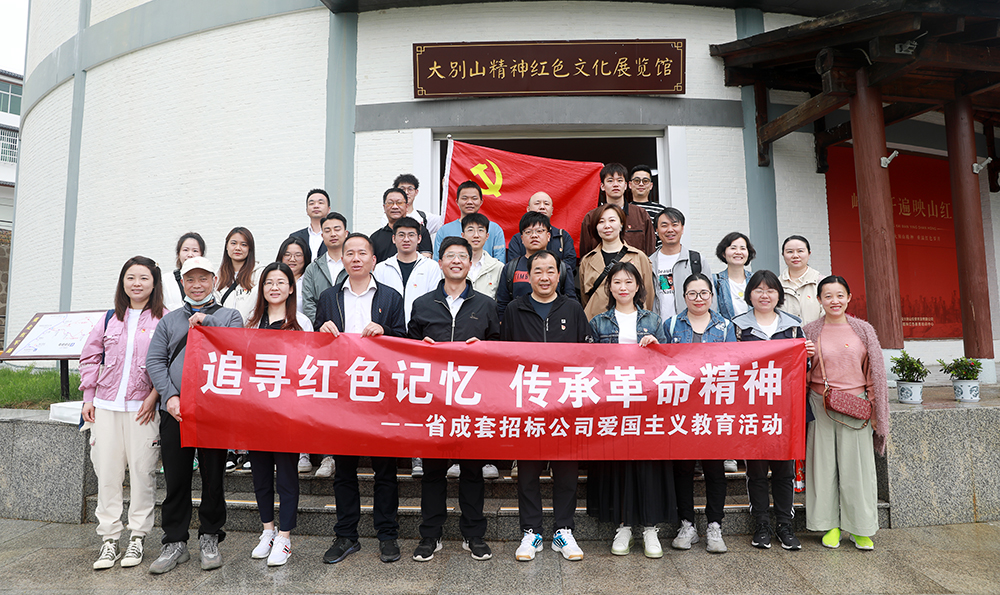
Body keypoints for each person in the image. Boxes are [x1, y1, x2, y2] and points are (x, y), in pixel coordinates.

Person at [145, 256, 244, 574]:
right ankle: (174, 541)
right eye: (190, 279)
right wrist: (170, 396)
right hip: (175, 411)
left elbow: (237, 349)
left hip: (214, 411)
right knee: (176, 478)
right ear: (182, 283)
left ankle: (210, 536)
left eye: (203, 279)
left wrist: (208, 323)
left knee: (214, 477)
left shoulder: (230, 316)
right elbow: (155, 361)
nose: (197, 285)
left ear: (214, 280)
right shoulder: (170, 320)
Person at [407, 236, 501, 563]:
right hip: (434, 402)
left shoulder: (485, 305)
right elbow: (407, 350)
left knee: (472, 471)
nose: (457, 261)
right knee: (433, 472)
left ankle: (474, 535)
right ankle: (430, 535)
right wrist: (420, 349)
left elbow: (499, 352)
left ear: (470, 263)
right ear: (440, 262)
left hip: (472, 404)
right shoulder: (423, 304)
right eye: (450, 256)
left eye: (463, 256)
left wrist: (484, 349)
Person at [315, 233, 406, 565]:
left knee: (385, 470)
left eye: (362, 253)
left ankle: (387, 535)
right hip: (342, 395)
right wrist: (320, 331)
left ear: (373, 260)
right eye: (350, 253)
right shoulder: (329, 297)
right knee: (344, 470)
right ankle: (346, 535)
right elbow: (314, 345)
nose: (355, 258)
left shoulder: (391, 297)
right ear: (342, 260)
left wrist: (386, 332)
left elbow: (404, 341)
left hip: (380, 394)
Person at [501, 250, 590, 562]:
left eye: (550, 270)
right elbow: (502, 357)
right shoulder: (514, 309)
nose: (544, 277)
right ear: (528, 275)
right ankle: (531, 532)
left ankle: (564, 530)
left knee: (566, 471)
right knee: (528, 471)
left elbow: (588, 357)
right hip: (528, 405)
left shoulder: (573, 308)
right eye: (538, 271)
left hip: (566, 404)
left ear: (559, 274)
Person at [80, 256, 166, 570]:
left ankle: (137, 537)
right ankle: (109, 539)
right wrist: (88, 398)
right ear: (122, 282)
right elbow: (90, 357)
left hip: (143, 409)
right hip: (105, 407)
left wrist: (154, 397)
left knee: (143, 473)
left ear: (154, 283)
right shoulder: (109, 318)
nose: (136, 283)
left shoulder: (165, 318)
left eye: (143, 278)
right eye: (130, 277)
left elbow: (170, 362)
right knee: (107, 474)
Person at [586, 261, 672, 558]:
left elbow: (669, 363)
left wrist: (656, 346)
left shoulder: (654, 320)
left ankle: (649, 528)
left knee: (648, 465)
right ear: (609, 287)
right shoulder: (598, 323)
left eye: (629, 282)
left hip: (646, 404)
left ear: (638, 286)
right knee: (619, 465)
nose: (623, 287)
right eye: (617, 282)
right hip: (612, 405)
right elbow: (589, 364)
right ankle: (623, 526)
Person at [804, 276, 890, 551]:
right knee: (822, 467)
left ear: (849, 297)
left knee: (858, 470)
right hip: (820, 405)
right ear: (819, 299)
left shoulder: (863, 330)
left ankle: (860, 527)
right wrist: (804, 356)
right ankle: (829, 525)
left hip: (856, 406)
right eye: (828, 296)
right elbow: (801, 372)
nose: (834, 301)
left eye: (840, 295)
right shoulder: (809, 331)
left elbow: (875, 373)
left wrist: (877, 413)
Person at [732, 270, 815, 551]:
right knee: (756, 471)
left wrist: (808, 355)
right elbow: (729, 367)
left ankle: (784, 525)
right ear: (749, 294)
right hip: (751, 410)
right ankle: (761, 525)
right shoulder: (737, 327)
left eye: (770, 290)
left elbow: (803, 368)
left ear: (779, 295)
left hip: (785, 410)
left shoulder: (793, 327)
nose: (764, 295)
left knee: (784, 470)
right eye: (758, 290)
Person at [244, 263, 313, 567]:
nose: (274, 287)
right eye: (269, 282)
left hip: (287, 412)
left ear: (291, 288)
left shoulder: (301, 322)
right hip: (256, 411)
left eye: (281, 282)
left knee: (286, 475)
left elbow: (309, 365)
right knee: (260, 475)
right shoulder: (251, 323)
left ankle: (285, 537)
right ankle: (267, 531)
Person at [663, 273, 736, 554]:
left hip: (714, 409)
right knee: (682, 469)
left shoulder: (725, 326)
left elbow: (735, 364)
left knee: (714, 469)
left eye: (704, 293)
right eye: (692, 293)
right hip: (681, 408)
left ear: (711, 296)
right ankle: (687, 525)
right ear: (684, 297)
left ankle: (715, 526)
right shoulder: (672, 324)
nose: (698, 298)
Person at [579, 204, 656, 320]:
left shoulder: (638, 257)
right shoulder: (587, 260)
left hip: (632, 322)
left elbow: (648, 294)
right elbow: (585, 299)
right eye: (601, 222)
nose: (607, 226)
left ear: (621, 224)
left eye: (612, 220)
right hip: (597, 323)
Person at [496, 212, 577, 320]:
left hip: (553, 324)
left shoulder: (562, 267)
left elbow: (571, 302)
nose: (534, 235)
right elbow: (502, 304)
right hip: (519, 324)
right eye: (528, 232)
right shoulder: (510, 268)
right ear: (522, 238)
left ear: (548, 236)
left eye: (539, 231)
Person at [373, 216, 441, 324]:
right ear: (393, 239)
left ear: (419, 239)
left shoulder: (431, 267)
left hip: (421, 328)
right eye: (401, 235)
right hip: (389, 328)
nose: (406, 239)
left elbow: (434, 302)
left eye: (411, 235)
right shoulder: (381, 268)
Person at [578, 163, 656, 257]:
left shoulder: (641, 215)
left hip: (635, 266)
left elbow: (651, 252)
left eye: (619, 180)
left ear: (625, 185)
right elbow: (586, 256)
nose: (615, 185)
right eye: (610, 181)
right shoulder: (591, 217)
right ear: (602, 186)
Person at [649, 208, 712, 322]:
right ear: (657, 230)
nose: (670, 230)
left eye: (675, 225)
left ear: (682, 228)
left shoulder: (696, 260)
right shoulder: (649, 262)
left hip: (690, 326)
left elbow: (710, 298)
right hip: (658, 327)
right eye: (664, 225)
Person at [433, 180, 506, 262]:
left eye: (474, 198)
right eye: (465, 198)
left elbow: (500, 262)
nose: (470, 202)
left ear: (481, 202)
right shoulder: (444, 230)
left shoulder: (495, 229)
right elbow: (438, 262)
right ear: (457, 201)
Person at [506, 191, 577, 270]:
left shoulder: (562, 237)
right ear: (528, 209)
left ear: (552, 210)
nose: (542, 207)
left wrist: (549, 273)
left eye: (546, 204)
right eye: (537, 203)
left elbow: (570, 264)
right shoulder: (518, 239)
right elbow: (514, 266)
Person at [301, 212, 349, 325]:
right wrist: (321, 325)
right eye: (327, 231)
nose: (333, 234)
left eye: (337, 229)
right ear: (322, 236)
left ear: (346, 233)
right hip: (322, 330)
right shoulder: (313, 268)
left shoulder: (356, 264)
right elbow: (308, 303)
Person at [370, 187, 432, 262]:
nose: (395, 207)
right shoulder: (375, 238)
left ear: (406, 206)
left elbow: (426, 259)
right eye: (390, 203)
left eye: (399, 203)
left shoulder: (420, 230)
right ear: (384, 207)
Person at [215, 226, 261, 324]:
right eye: (233, 243)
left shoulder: (259, 274)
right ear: (226, 246)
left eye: (243, 244)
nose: (238, 248)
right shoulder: (217, 276)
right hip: (223, 329)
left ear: (250, 248)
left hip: (249, 329)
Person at [780, 235, 824, 325]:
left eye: (800, 251)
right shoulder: (776, 284)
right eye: (790, 252)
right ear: (783, 255)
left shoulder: (821, 282)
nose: (795, 255)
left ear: (809, 253)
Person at [713, 231, 755, 321]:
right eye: (733, 248)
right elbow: (714, 313)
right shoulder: (715, 281)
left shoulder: (756, 280)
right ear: (723, 253)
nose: (738, 252)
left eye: (743, 248)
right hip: (727, 329)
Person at [463, 213, 503, 299]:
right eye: (470, 230)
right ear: (463, 235)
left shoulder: (498, 267)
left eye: (480, 230)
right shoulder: (455, 265)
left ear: (487, 236)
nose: (476, 235)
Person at [163, 232, 205, 311]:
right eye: (185, 250)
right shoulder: (166, 280)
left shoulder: (209, 280)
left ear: (201, 255)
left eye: (195, 251)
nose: (190, 255)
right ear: (178, 253)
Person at [290, 188, 332, 260]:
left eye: (320, 203)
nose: (316, 206)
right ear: (307, 210)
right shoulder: (295, 237)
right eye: (312, 203)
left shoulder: (339, 236)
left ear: (329, 209)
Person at [276, 236, 311, 314]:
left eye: (298, 255)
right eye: (287, 254)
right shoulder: (272, 279)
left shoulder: (311, 281)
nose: (292, 259)